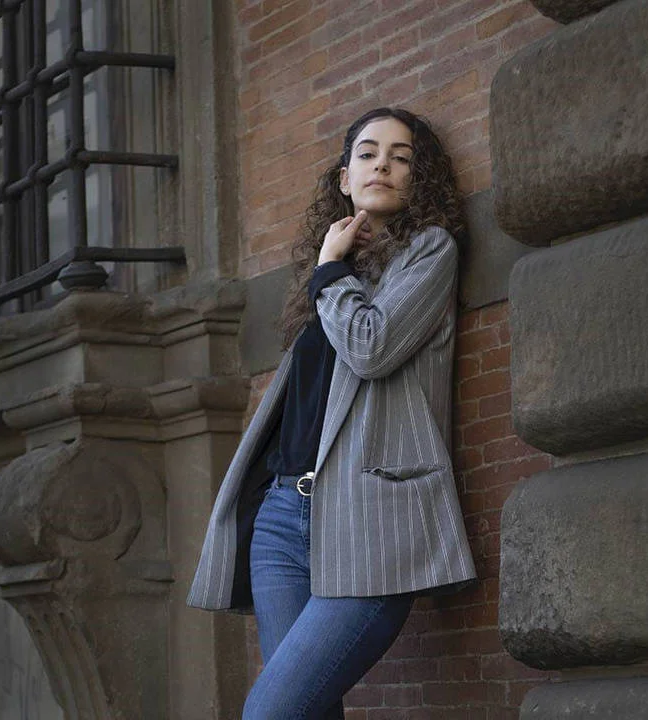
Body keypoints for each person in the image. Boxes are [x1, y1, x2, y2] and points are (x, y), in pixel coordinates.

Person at [187, 107, 477, 719]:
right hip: (281, 519)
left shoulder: (429, 251)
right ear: (344, 177)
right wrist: (329, 267)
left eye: (402, 157)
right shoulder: (330, 272)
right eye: (368, 154)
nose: (383, 165)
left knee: (271, 712)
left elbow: (373, 347)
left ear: (420, 177)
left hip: (367, 519)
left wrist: (328, 270)